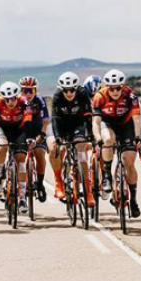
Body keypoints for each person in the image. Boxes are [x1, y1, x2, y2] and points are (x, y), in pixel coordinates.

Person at [91, 69, 141, 218]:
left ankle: (133, 201)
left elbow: (136, 118)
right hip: (108, 124)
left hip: (126, 125)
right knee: (108, 140)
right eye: (111, 88)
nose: (115, 91)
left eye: (118, 88)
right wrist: (98, 138)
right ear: (107, 87)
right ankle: (107, 175)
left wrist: (137, 136)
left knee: (129, 163)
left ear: (123, 86)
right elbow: (96, 122)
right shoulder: (99, 97)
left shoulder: (130, 95)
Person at [48, 71, 94, 205]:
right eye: (65, 90)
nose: (69, 93)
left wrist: (90, 134)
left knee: (81, 151)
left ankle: (88, 191)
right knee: (54, 149)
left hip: (78, 125)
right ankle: (58, 182)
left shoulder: (82, 93)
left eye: (72, 90)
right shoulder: (57, 96)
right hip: (62, 126)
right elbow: (55, 118)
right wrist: (57, 137)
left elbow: (88, 115)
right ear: (61, 89)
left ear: (76, 88)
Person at [0, 82, 33, 213]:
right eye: (7, 99)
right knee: (1, 148)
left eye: (12, 99)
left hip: (19, 130)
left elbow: (28, 121)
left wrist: (29, 137)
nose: (10, 102)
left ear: (17, 96)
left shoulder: (24, 101)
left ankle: (22, 198)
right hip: (3, 130)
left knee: (21, 160)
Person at [19, 76, 50, 202]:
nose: (28, 94)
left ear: (35, 90)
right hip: (22, 130)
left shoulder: (40, 100)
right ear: (21, 91)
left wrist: (42, 134)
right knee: (18, 156)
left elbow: (45, 120)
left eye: (30, 90)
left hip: (37, 129)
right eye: (25, 90)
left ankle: (40, 184)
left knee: (40, 154)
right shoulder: (18, 101)